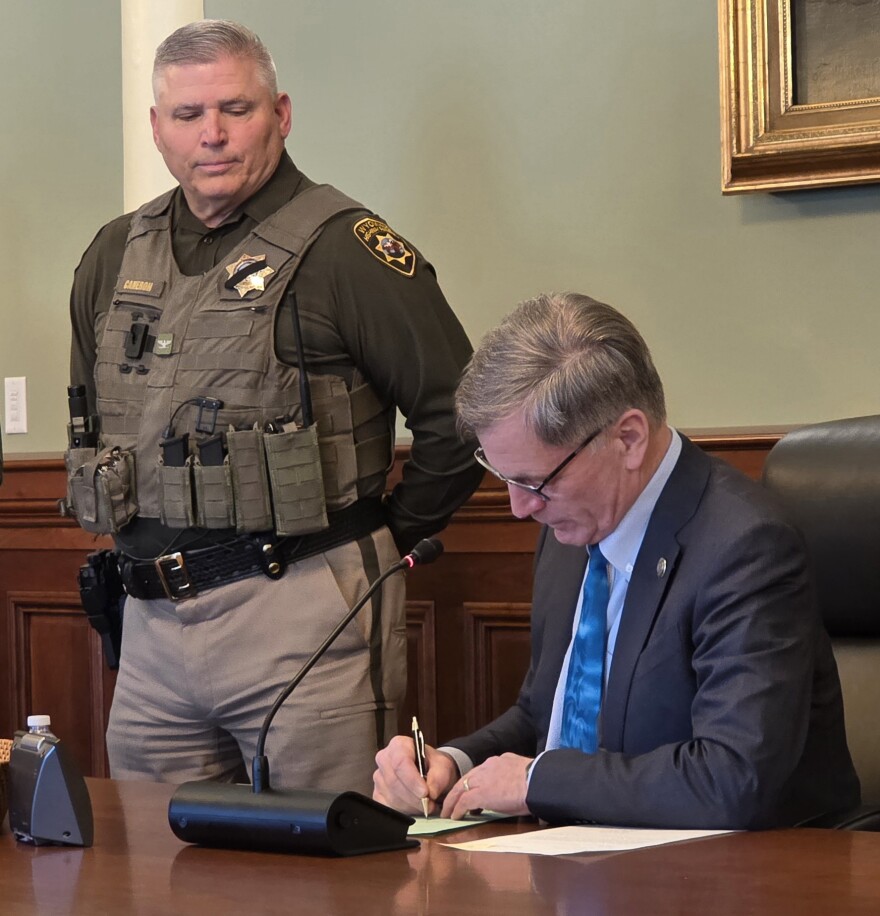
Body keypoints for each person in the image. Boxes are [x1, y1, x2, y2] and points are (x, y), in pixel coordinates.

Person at [66, 19, 482, 795]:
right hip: (150, 624)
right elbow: (93, 421)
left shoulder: (348, 251)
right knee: (152, 882)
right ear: (157, 129)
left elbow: (463, 417)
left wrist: (393, 538)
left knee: (334, 872)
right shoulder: (112, 255)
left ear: (282, 114)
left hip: (303, 607)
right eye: (188, 116)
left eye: (237, 109)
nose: (212, 135)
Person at [373, 291, 860, 829]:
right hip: (578, 864)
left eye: (535, 482)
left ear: (627, 438)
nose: (519, 509)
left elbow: (732, 777)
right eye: (507, 480)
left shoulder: (745, 547)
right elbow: (543, 716)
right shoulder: (571, 528)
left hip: (748, 874)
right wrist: (453, 764)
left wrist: (537, 782)